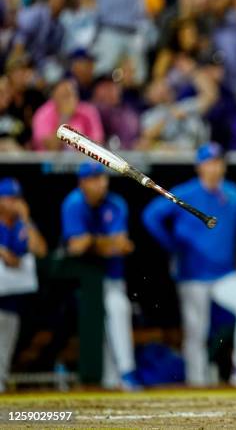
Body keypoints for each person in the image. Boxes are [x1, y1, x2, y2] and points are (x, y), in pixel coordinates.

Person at [142, 142, 236, 387]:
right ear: (199, 167)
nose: (214, 168)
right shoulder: (185, 193)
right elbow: (151, 216)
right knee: (196, 331)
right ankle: (197, 382)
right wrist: (172, 245)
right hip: (192, 275)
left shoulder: (233, 194)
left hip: (224, 273)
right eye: (209, 163)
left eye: (218, 162)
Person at [61, 162, 140, 390]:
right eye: (95, 179)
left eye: (103, 178)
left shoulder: (116, 203)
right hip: (81, 284)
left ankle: (123, 374)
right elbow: (76, 246)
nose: (103, 183)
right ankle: (122, 374)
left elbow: (122, 246)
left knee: (118, 308)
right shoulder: (73, 203)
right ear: (83, 182)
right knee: (107, 320)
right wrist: (104, 243)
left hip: (112, 277)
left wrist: (92, 242)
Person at [0, 178, 47, 392]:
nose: (14, 203)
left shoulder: (21, 224)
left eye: (17, 198)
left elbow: (40, 250)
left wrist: (26, 219)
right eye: (9, 198)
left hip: (11, 298)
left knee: (6, 341)